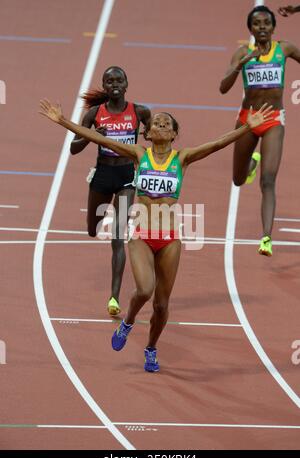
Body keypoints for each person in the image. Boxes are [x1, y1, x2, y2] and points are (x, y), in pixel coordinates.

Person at [39, 98, 272, 372]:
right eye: (156, 123)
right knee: (145, 289)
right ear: (147, 133)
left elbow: (217, 143)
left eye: (167, 123)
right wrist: (64, 121)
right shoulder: (139, 154)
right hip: (141, 233)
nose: (161, 124)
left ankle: (151, 348)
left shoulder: (182, 158)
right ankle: (128, 322)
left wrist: (247, 127)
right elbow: (94, 137)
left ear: (174, 134)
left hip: (170, 237)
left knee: (162, 305)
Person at [220, 5, 300, 256]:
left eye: (267, 23)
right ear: (250, 28)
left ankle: (266, 238)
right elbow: (223, 88)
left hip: (274, 119)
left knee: (268, 181)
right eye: (257, 23)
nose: (262, 27)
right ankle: (251, 165)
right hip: (248, 120)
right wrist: (240, 64)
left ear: (274, 27)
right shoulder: (243, 52)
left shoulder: (284, 49)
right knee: (238, 179)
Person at [70, 66, 150, 315]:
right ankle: (94, 225)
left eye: (119, 80)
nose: (115, 84)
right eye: (109, 81)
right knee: (92, 230)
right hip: (103, 176)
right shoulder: (94, 114)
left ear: (127, 84)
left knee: (118, 236)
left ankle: (114, 298)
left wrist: (150, 134)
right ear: (104, 87)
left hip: (127, 177)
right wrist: (92, 136)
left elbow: (153, 133)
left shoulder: (139, 112)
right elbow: (74, 148)